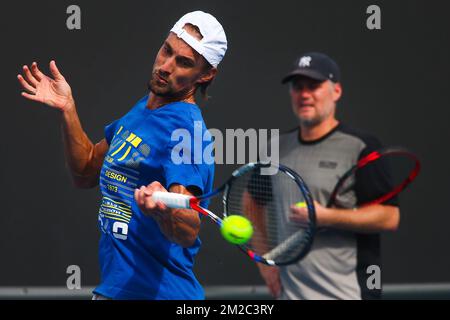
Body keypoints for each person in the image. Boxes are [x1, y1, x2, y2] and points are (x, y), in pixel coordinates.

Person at [17, 11, 227, 300]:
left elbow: (189, 227)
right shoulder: (143, 109)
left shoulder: (186, 131)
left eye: (183, 62)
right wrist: (68, 109)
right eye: (167, 50)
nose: (166, 66)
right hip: (119, 291)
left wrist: (165, 211)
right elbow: (86, 171)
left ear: (205, 74)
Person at [257, 52, 400, 300]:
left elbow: (389, 217)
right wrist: (266, 262)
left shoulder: (361, 146)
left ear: (336, 92)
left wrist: (326, 217)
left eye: (314, 86)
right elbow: (251, 203)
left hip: (348, 294)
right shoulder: (273, 149)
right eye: (297, 87)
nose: (304, 94)